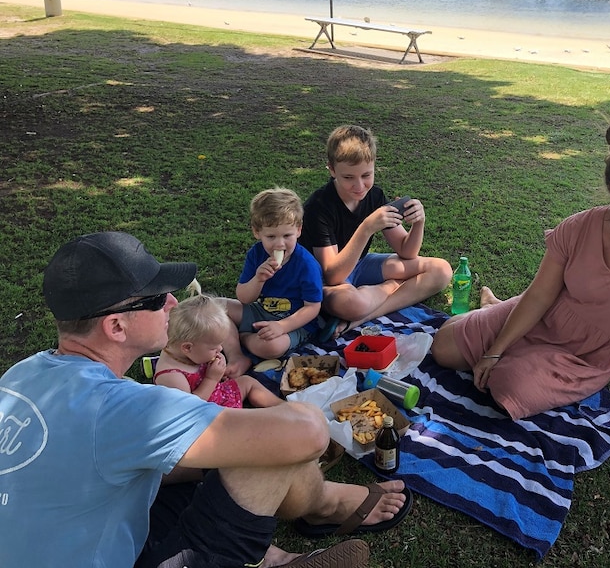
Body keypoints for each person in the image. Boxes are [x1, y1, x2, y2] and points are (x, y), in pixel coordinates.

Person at [0, 231, 412, 568]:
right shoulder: (119, 406)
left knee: (208, 459)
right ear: (115, 327)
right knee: (268, 446)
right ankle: (323, 507)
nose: (173, 303)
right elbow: (304, 433)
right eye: (158, 298)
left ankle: (282, 549)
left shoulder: (21, 374)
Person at [430, 120, 610, 420]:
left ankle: (500, 321)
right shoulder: (580, 226)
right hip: (545, 314)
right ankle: (496, 313)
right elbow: (538, 296)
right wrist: (496, 349)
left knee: (507, 387)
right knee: (443, 349)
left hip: (587, 354)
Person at [299, 124, 452, 340]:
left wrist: (418, 223)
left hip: (360, 266)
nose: (359, 186)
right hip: (325, 280)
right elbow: (332, 275)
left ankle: (362, 318)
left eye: (366, 175)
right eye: (348, 177)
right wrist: (367, 228)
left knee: (441, 270)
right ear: (332, 170)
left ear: (374, 166)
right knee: (353, 303)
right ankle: (389, 292)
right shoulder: (319, 206)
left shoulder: (375, 196)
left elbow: (406, 251)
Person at [233, 188, 324, 360]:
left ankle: (242, 338)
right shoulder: (256, 254)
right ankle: (236, 350)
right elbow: (243, 298)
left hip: (294, 322)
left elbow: (312, 308)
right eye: (271, 236)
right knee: (216, 308)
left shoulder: (306, 264)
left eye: (287, 235)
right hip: (260, 310)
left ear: (298, 230)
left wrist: (281, 326)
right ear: (257, 232)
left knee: (272, 347)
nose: (279, 244)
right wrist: (258, 279)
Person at [154, 293, 284, 408]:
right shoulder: (171, 376)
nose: (220, 349)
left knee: (247, 382)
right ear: (187, 347)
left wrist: (218, 372)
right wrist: (211, 379)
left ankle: (284, 407)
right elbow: (190, 408)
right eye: (213, 347)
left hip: (219, 394)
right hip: (210, 415)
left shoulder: (191, 353)